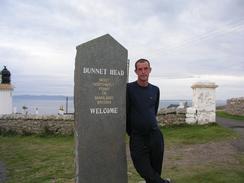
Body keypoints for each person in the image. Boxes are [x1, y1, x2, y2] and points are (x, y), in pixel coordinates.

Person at [126, 58, 171, 183]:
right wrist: (133, 132)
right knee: (143, 168)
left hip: (155, 135)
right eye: (140, 69)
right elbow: (126, 113)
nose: (143, 72)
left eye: (145, 69)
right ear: (136, 71)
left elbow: (154, 110)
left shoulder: (155, 90)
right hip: (137, 137)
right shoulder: (129, 89)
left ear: (150, 70)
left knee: (155, 170)